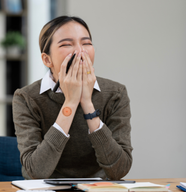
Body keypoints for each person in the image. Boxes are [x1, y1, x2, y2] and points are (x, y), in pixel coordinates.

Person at [12, 16, 133, 180]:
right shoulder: (26, 98)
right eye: (67, 44)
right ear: (47, 59)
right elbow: (36, 172)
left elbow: (119, 170)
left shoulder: (115, 93)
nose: (80, 51)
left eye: (87, 43)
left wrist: (87, 103)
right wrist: (70, 102)